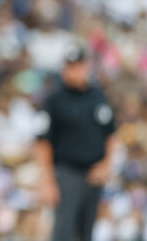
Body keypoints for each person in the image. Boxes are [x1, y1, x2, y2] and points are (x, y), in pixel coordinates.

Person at [35, 45, 117, 241]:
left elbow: (110, 133)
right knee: (64, 230)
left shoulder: (97, 96)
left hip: (93, 173)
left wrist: (106, 165)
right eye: (71, 66)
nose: (75, 71)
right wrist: (47, 180)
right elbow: (42, 141)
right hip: (67, 172)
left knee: (86, 231)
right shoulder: (54, 100)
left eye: (79, 66)